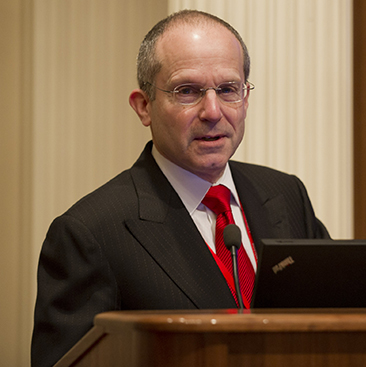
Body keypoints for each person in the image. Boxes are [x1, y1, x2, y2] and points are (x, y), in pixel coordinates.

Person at [31, 9, 329, 367]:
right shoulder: (89, 233)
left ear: (245, 98)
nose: (213, 111)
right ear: (144, 107)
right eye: (187, 91)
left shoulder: (285, 194)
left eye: (228, 89)